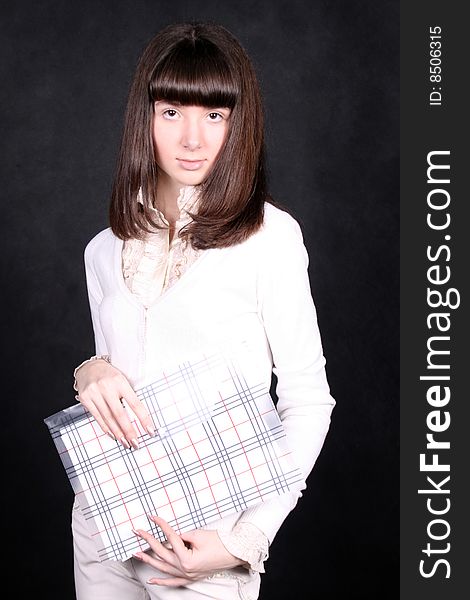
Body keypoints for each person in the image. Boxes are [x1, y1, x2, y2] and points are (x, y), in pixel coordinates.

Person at [72, 21, 335, 600]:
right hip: (103, 516)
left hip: (203, 535)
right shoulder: (104, 248)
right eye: (172, 112)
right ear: (145, 118)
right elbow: (122, 371)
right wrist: (88, 369)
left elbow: (307, 400)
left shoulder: (270, 236)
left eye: (214, 115)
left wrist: (246, 539)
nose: (193, 138)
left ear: (238, 123)